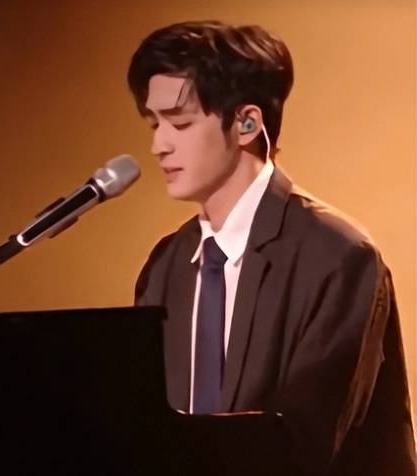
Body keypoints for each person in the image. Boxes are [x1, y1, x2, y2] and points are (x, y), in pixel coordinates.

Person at [130, 21, 415, 475]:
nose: (158, 145)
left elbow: (307, 440)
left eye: (180, 123)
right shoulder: (166, 264)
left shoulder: (338, 255)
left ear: (247, 123)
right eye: (154, 123)